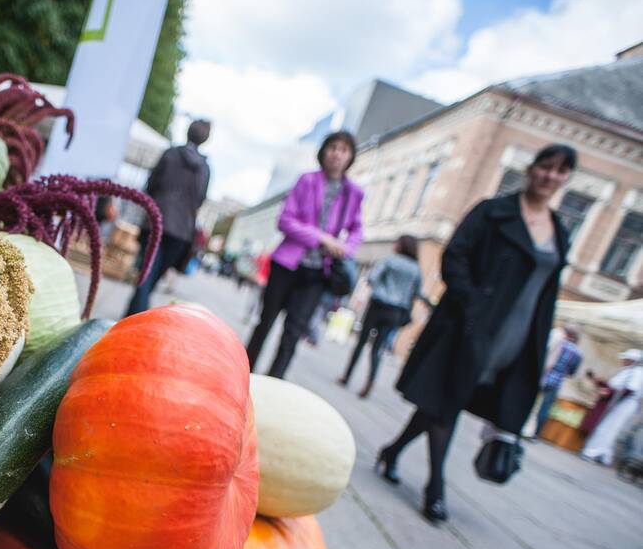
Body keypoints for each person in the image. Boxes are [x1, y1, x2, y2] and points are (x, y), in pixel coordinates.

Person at [376, 144, 577, 523]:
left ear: (566, 178)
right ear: (531, 167)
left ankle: (392, 451)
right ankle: (435, 489)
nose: (550, 176)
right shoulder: (492, 212)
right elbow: (454, 258)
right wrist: (474, 307)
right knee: (447, 402)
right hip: (468, 329)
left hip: (517, 338)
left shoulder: (560, 232)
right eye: (545, 166)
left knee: (442, 403)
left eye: (560, 171)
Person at [245, 131, 364, 378]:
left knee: (293, 332)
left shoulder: (354, 193)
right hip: (287, 264)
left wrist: (346, 248)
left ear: (350, 157)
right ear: (324, 151)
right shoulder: (307, 181)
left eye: (343, 149)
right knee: (265, 322)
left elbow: (357, 229)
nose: (337, 154)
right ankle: (243, 373)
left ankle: (274, 383)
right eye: (332, 147)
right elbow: (285, 220)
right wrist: (321, 237)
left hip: (318, 272)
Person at [125, 120, 212, 315]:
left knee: (146, 275)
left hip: (157, 220)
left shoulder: (171, 154)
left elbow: (152, 183)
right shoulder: (204, 168)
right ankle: (134, 319)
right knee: (151, 277)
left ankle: (135, 320)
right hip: (181, 231)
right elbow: (200, 199)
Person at [338, 235, 425, 398]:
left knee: (361, 342)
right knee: (377, 348)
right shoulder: (416, 269)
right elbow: (418, 292)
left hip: (378, 306)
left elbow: (372, 278)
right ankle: (370, 381)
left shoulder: (390, 261)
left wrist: (382, 289)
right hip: (395, 312)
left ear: (401, 246)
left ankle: (347, 376)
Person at [581, 349, 643, 465]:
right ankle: (604, 455)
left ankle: (592, 452)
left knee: (608, 428)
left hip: (625, 404)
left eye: (626, 358)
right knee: (609, 428)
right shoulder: (628, 371)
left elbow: (629, 390)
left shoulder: (637, 373)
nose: (623, 360)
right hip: (620, 402)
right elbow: (616, 386)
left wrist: (609, 394)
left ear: (631, 360)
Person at [531, 324, 584, 437]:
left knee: (531, 401)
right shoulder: (578, 354)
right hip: (556, 382)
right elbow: (571, 372)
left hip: (543, 375)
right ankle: (535, 433)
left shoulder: (559, 343)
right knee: (545, 407)